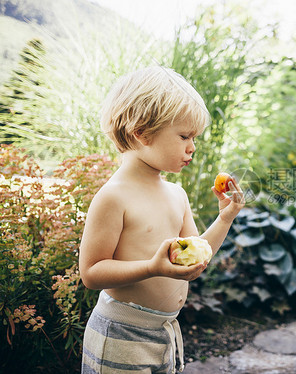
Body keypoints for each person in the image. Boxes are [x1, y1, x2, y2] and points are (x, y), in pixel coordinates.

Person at [79, 66, 245, 373]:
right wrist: (152, 268)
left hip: (164, 332)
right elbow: (91, 272)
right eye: (184, 135)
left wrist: (225, 218)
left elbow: (197, 253)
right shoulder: (113, 196)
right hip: (120, 335)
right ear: (141, 133)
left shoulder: (177, 194)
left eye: (193, 137)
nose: (192, 146)